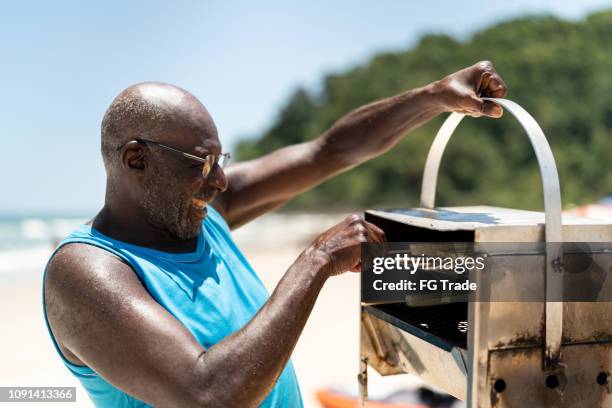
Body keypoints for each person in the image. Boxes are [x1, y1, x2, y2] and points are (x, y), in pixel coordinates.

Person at [43, 61, 507, 407]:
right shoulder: (86, 274)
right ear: (136, 160)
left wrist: (434, 97)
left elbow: (329, 151)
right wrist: (317, 260)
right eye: (202, 165)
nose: (220, 182)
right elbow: (211, 395)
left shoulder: (202, 213)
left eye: (220, 162)